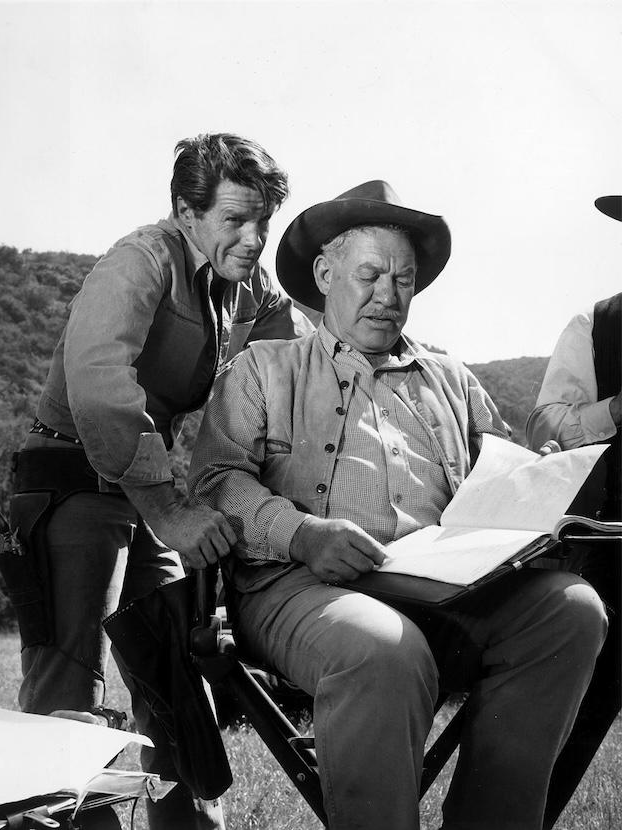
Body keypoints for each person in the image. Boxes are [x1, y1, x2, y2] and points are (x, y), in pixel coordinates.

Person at [188, 180, 608, 830]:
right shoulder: (262, 369)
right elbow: (217, 483)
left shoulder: (453, 380)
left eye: (404, 280)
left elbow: (496, 479)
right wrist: (300, 532)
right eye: (370, 275)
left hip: (448, 593)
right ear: (325, 273)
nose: (388, 296)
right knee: (384, 647)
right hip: (300, 587)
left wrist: (541, 474)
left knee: (571, 612)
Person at [11, 133, 313, 830]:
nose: (253, 238)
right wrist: (170, 510)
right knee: (68, 693)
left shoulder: (256, 291)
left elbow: (275, 397)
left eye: (263, 221)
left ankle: (192, 825)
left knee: (177, 671)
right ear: (185, 210)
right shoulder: (139, 260)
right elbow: (99, 389)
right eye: (235, 219)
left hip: (149, 488)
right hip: (69, 474)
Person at [526, 194, 621, 827]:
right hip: (615, 551)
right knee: (581, 714)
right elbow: (544, 429)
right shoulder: (597, 324)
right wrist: (616, 411)